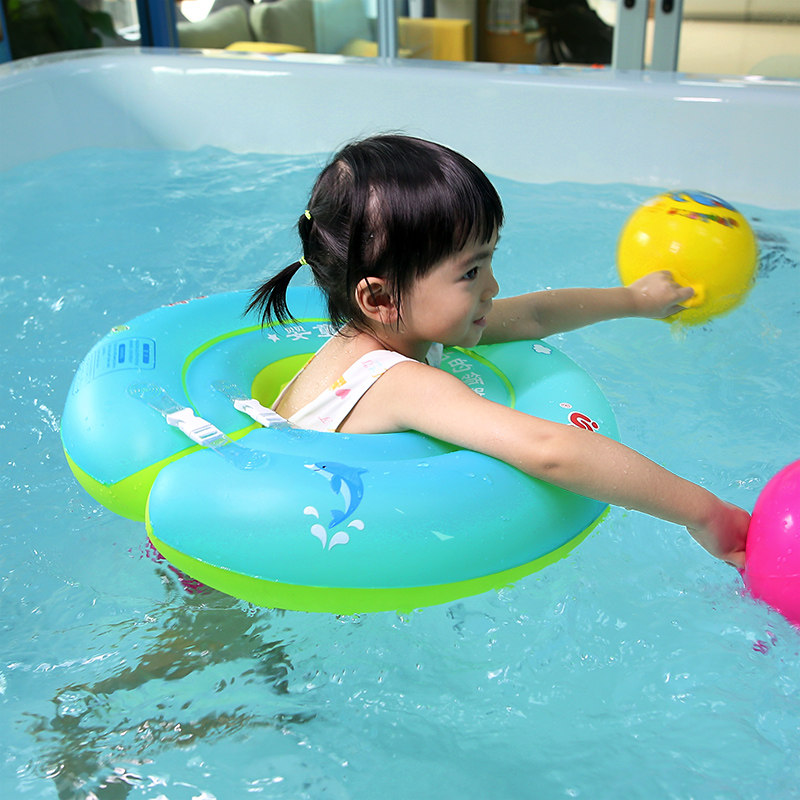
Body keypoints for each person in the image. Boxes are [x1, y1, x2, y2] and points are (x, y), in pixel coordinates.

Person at [248, 134, 749, 569]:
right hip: (273, 560)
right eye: (471, 272)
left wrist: (637, 301)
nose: (493, 286)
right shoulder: (399, 382)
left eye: (489, 261)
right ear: (379, 298)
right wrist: (705, 513)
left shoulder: (392, 326)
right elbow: (549, 451)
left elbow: (535, 315)